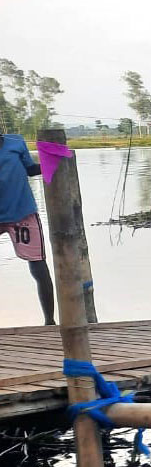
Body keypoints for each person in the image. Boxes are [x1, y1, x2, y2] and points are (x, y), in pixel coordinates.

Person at [1, 134, 55, 325]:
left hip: (22, 213)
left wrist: (53, 161)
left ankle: (49, 322)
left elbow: (30, 169)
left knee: (38, 266)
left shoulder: (15, 143)